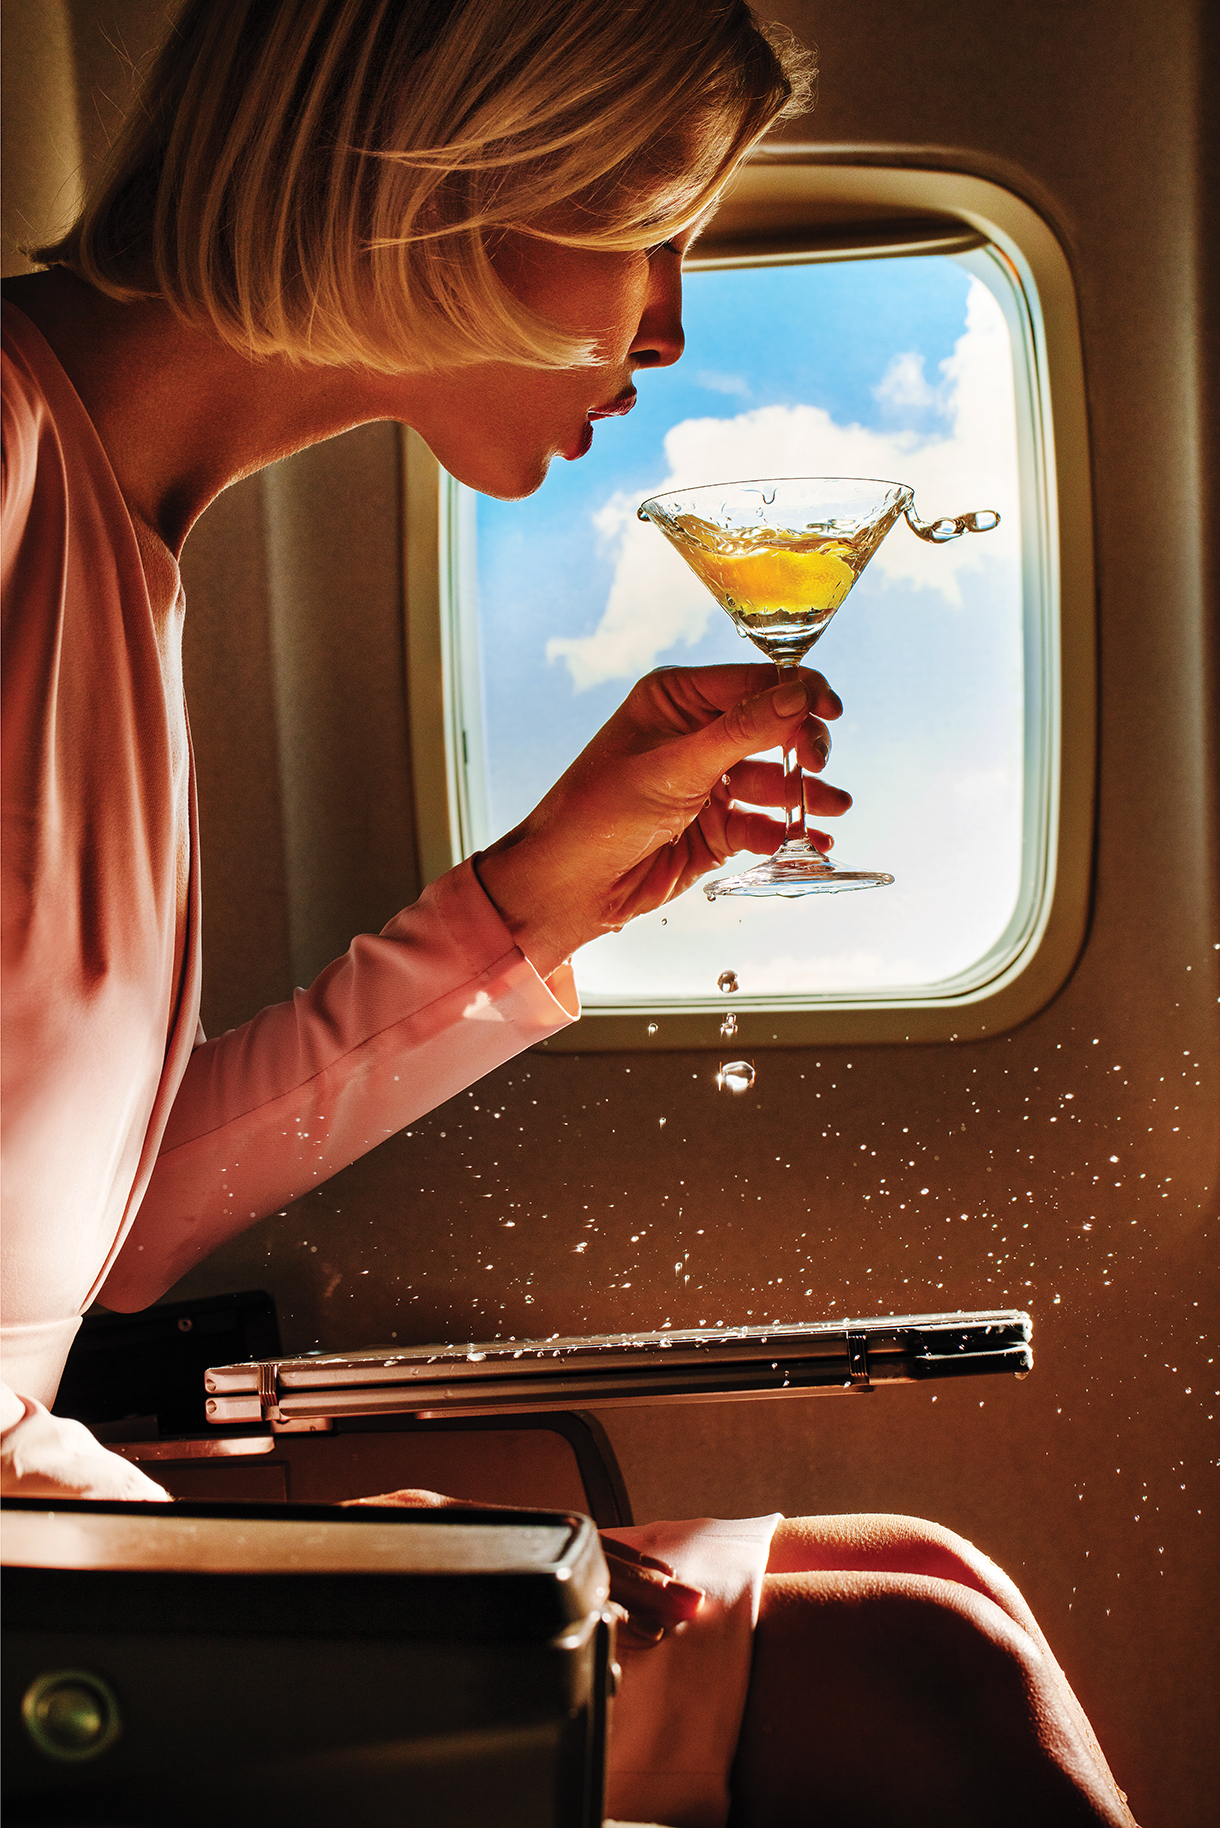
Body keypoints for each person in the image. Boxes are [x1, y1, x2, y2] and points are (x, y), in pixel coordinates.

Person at [0, 3, 1136, 1823]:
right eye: (649, 223)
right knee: (936, 1684)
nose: (671, 324)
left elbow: (82, 1262)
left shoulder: (125, 549)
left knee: (936, 1578)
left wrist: (528, 911)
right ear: (437, 163)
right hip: (32, 1627)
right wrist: (344, 1594)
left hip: (61, 1562)